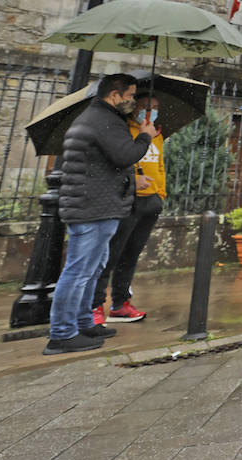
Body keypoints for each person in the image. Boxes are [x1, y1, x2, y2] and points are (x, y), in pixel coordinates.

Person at [44, 73, 155, 355]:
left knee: (92, 269)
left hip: (96, 204)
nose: (133, 101)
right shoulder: (104, 120)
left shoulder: (95, 118)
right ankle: (62, 333)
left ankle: (83, 322)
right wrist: (145, 136)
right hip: (92, 207)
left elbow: (109, 162)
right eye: (130, 95)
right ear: (114, 95)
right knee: (79, 271)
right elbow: (124, 155)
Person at [90, 92, 166, 324]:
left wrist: (161, 194)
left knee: (131, 255)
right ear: (135, 109)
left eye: (154, 107)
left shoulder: (157, 135)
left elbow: (160, 165)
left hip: (151, 201)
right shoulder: (124, 132)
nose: (150, 112)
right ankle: (94, 304)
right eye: (145, 106)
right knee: (111, 254)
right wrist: (134, 181)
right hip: (127, 200)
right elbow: (116, 163)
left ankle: (120, 303)